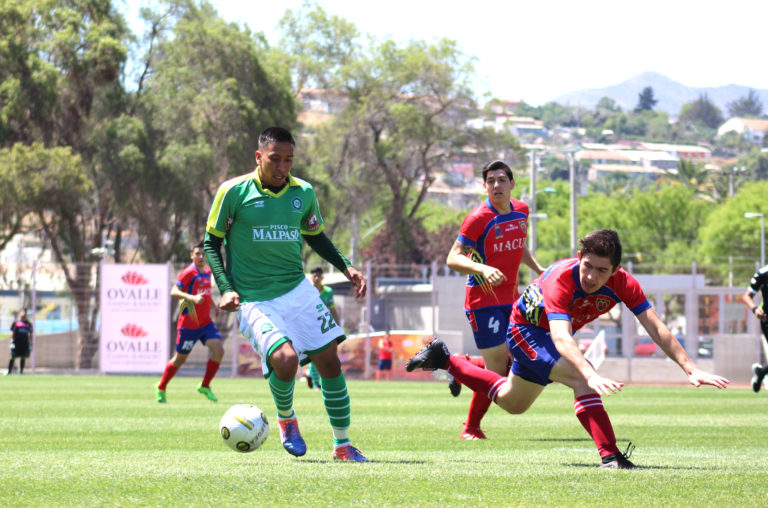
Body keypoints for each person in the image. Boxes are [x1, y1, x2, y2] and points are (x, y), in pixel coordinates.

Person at [407, 229, 729, 468]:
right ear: (579, 259)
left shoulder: (625, 284)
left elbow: (656, 326)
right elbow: (561, 337)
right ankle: (611, 457)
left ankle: (445, 359)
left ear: (616, 270)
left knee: (512, 402)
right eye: (587, 265)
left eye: (602, 270)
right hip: (526, 331)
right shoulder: (560, 278)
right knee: (579, 379)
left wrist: (690, 368)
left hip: (550, 337)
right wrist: (589, 373)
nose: (591, 276)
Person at [204, 126, 368, 461]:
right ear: (258, 157)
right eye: (275, 159)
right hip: (253, 297)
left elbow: (316, 236)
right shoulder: (233, 191)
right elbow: (212, 242)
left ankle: (343, 446)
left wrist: (347, 267)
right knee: (285, 359)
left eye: (289, 160)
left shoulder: (303, 192)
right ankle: (286, 418)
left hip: (297, 290)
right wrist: (226, 288)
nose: (282, 167)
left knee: (330, 364)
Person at [445, 159, 545, 440]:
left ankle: (460, 365)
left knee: (512, 362)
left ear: (512, 184)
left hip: (512, 299)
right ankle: (471, 427)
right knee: (499, 368)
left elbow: (519, 244)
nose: (496, 185)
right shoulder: (478, 218)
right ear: (485, 186)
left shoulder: (521, 211)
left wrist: (537, 268)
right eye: (490, 181)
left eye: (501, 180)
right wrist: (483, 268)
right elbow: (453, 258)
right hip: (482, 301)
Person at [156, 241, 224, 403]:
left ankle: (205, 385)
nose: (201, 257)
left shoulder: (207, 272)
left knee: (219, 350)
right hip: (188, 325)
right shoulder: (188, 273)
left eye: (203, 254)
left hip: (205, 324)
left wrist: (214, 306)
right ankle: (161, 387)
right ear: (191, 256)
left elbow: (205, 294)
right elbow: (174, 291)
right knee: (179, 360)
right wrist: (191, 297)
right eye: (197, 254)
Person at [305, 266, 342, 390]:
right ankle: (316, 384)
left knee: (325, 355)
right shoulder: (306, 291)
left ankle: (310, 375)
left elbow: (332, 309)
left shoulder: (328, 291)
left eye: (318, 276)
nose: (316, 278)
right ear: (311, 277)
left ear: (322, 277)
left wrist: (337, 326)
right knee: (314, 356)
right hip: (310, 328)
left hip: (324, 328)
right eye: (314, 276)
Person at [743, 264, 768, 393]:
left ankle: (760, 372)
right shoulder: (763, 274)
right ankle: (760, 373)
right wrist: (755, 309)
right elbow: (747, 296)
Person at [6, 309, 32, 375]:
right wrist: (11, 342)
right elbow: (12, 333)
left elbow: (30, 334)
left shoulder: (28, 324)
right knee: (13, 356)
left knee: (23, 357)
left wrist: (30, 344)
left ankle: (21, 372)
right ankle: (9, 371)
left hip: (24, 342)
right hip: (16, 342)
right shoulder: (16, 323)